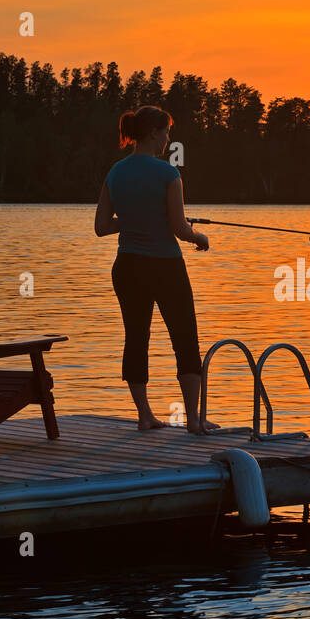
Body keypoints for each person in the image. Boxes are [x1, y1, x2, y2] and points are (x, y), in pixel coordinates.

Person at [94, 105, 216, 433]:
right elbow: (179, 227)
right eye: (166, 132)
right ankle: (193, 419)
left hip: (128, 266)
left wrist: (135, 220)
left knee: (136, 338)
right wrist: (199, 237)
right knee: (185, 339)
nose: (168, 138)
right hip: (165, 266)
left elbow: (102, 227)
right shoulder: (168, 174)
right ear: (153, 133)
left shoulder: (116, 172)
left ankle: (145, 416)